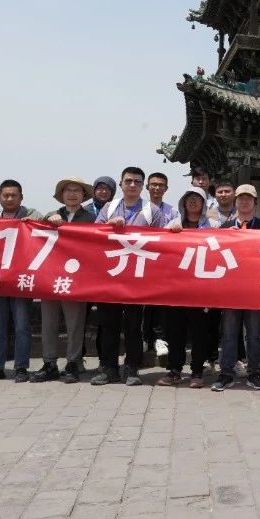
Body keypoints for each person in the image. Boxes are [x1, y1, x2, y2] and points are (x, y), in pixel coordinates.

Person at [92, 166, 167, 387]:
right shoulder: (109, 207)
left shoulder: (152, 210)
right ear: (121, 184)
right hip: (110, 276)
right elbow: (93, 236)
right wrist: (109, 226)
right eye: (128, 181)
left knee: (134, 326)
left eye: (137, 181)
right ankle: (109, 368)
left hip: (138, 278)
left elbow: (163, 242)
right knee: (108, 325)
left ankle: (132, 368)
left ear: (143, 186)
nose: (132, 185)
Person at [33, 176, 96, 384]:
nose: (72, 194)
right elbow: (31, 231)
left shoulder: (91, 219)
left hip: (77, 279)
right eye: (68, 190)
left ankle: (73, 363)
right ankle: (49, 362)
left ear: (83, 195)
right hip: (50, 278)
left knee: (75, 324)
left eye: (77, 190)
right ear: (61, 195)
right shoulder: (51, 216)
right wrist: (48, 218)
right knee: (48, 323)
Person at [0, 180, 43, 384]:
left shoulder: (32, 215)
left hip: (20, 281)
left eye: (14, 195)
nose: (9, 199)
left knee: (22, 327)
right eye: (5, 195)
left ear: (21, 197)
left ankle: (21, 367)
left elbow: (47, 229)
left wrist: (32, 224)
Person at [211, 184, 260, 391]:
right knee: (229, 334)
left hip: (256, 291)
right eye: (241, 198)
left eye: (249, 198)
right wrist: (226, 238)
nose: (244, 202)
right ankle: (226, 374)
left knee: (255, 335)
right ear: (235, 201)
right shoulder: (225, 228)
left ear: (255, 202)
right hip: (231, 290)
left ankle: (254, 373)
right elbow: (215, 256)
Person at [158, 187, 213, 387]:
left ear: (204, 204)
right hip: (176, 287)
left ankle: (197, 371)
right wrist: (170, 234)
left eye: (198, 198)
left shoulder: (212, 225)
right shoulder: (173, 224)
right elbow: (161, 247)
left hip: (201, 288)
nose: (193, 201)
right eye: (189, 198)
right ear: (183, 202)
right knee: (175, 331)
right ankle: (174, 370)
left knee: (199, 332)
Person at [142, 172, 182, 365]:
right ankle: (144, 338)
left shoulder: (173, 212)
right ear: (147, 187)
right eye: (153, 184)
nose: (157, 188)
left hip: (163, 264)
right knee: (140, 303)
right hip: (140, 261)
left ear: (166, 189)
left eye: (161, 185)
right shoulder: (139, 208)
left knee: (160, 303)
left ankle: (159, 338)